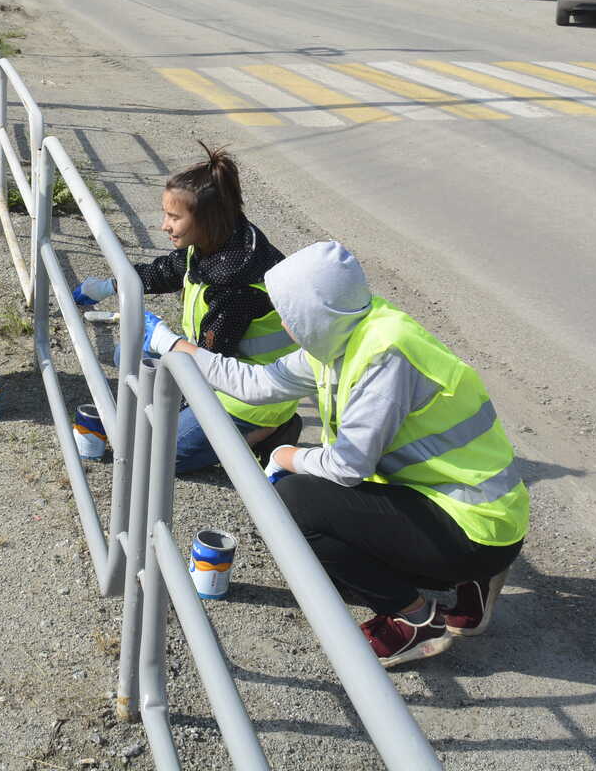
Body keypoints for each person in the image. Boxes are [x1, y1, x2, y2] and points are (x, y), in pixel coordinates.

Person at [142, 241, 529, 668]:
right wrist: (174, 344)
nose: (285, 325)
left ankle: (415, 618)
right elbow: (259, 384)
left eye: (290, 314)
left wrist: (287, 456)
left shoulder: (384, 355)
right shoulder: (348, 330)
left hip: (474, 526)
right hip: (465, 506)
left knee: (292, 505)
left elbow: (347, 466)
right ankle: (469, 580)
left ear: (313, 311)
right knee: (320, 548)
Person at [72, 144, 299, 473]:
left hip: (250, 397)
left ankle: (265, 432)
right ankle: (185, 423)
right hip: (220, 368)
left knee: (157, 457)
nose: (164, 225)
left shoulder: (235, 284)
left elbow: (205, 368)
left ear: (207, 219)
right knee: (128, 355)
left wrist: (164, 342)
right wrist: (111, 285)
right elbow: (167, 271)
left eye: (174, 217)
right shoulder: (218, 241)